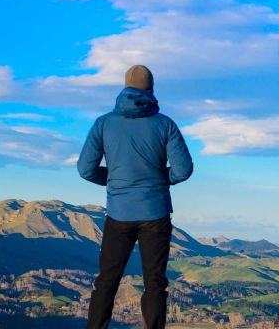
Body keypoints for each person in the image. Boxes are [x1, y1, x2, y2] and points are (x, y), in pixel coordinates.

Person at [77, 65, 194, 329]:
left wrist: (115, 180)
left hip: (118, 213)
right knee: (154, 282)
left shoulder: (103, 123)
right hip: (156, 214)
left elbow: (85, 169)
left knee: (106, 280)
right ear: (151, 90)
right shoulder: (165, 124)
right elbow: (183, 170)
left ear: (124, 87)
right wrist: (159, 179)